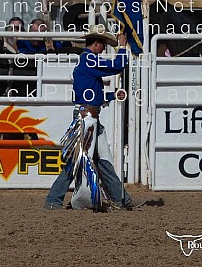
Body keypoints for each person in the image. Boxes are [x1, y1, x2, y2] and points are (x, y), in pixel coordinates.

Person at [44, 26, 145, 211]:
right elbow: (117, 66)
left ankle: (121, 199)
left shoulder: (87, 62)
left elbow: (91, 94)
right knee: (82, 160)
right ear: (96, 44)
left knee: (100, 161)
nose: (104, 48)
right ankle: (53, 200)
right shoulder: (89, 59)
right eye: (104, 45)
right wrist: (122, 47)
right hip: (87, 119)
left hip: (89, 117)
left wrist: (112, 96)